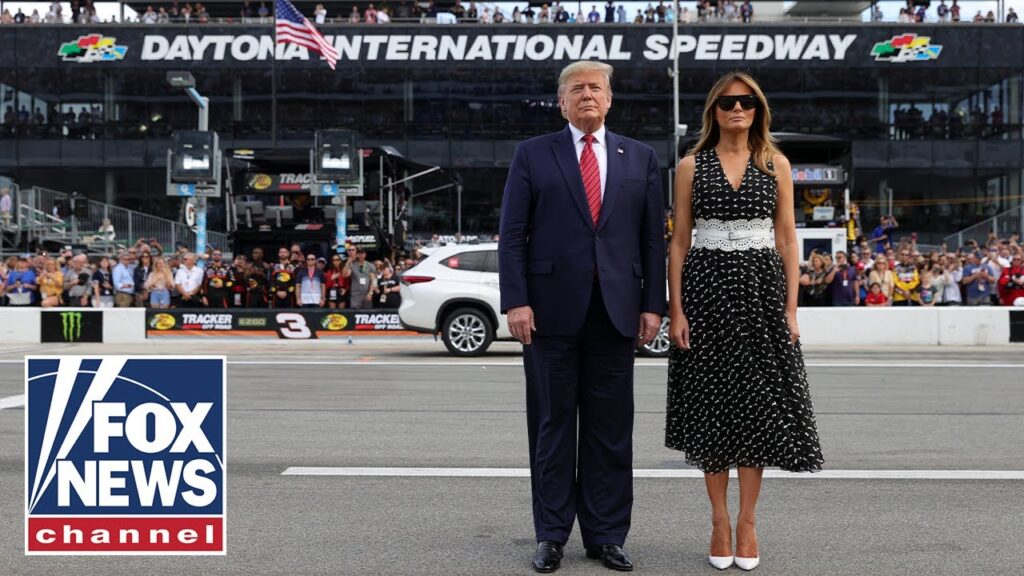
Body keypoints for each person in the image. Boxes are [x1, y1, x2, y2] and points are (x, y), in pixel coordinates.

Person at [499, 60, 666, 574]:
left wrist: (652, 304)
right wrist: (516, 300)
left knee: (610, 431)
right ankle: (551, 534)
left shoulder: (640, 157)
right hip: (548, 315)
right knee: (552, 428)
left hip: (616, 315)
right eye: (577, 88)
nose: (587, 94)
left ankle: (607, 535)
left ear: (610, 99)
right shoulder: (533, 154)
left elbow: (650, 241)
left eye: (596, 87)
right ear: (562, 101)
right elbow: (512, 235)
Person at [666, 71, 824, 572]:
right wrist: (677, 309)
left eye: (748, 102)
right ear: (714, 110)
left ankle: (749, 523)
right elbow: (679, 241)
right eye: (728, 102)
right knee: (712, 410)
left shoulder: (775, 163)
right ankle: (718, 519)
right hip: (706, 293)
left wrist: (792, 310)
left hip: (760, 295)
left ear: (758, 110)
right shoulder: (690, 165)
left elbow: (787, 240)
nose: (738, 109)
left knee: (756, 412)